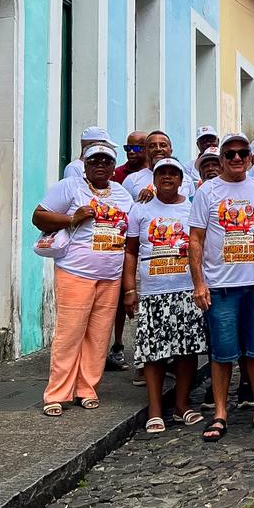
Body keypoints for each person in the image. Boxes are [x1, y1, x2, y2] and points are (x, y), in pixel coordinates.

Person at [189, 132, 254, 441]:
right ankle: (220, 412)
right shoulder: (208, 192)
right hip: (222, 286)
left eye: (243, 152)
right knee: (222, 353)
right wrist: (199, 283)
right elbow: (195, 240)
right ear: (222, 159)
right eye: (230, 154)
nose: (238, 158)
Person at [33, 143, 134, 415]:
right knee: (69, 333)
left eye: (106, 160)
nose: (100, 164)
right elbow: (38, 217)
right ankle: (57, 393)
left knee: (99, 336)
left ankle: (86, 387)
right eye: (94, 160)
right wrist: (71, 218)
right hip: (75, 272)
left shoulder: (123, 195)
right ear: (85, 165)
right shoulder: (70, 186)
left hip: (110, 276)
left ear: (114, 167)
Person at [123, 157, 206, 434]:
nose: (167, 177)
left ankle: (182, 405)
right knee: (153, 353)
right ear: (154, 179)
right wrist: (130, 289)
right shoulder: (140, 210)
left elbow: (200, 245)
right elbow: (131, 250)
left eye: (173, 173)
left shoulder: (192, 208)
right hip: (153, 292)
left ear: (181, 180)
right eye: (162, 173)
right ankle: (155, 409)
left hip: (186, 289)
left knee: (186, 352)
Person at [105, 130, 148, 370]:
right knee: (122, 298)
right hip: (118, 243)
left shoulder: (159, 175)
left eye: (137, 148)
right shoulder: (119, 175)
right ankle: (118, 344)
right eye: (128, 148)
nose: (132, 152)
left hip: (143, 245)